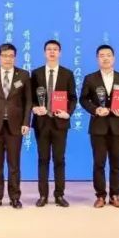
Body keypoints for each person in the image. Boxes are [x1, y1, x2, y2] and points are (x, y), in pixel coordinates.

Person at [79, 44, 119, 208]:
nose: (105, 58)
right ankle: (100, 195)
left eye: (108, 55)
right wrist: (95, 110)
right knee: (99, 163)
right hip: (98, 126)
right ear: (97, 59)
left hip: (117, 126)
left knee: (116, 163)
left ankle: (115, 195)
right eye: (102, 55)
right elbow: (83, 99)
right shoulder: (90, 78)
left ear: (114, 58)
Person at [0, 42, 32, 209]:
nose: (7, 59)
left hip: (16, 126)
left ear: (15, 57)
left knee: (14, 165)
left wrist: (26, 122)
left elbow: (28, 101)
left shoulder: (23, 75)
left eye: (11, 56)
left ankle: (15, 197)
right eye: (4, 56)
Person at [30, 39, 78, 207]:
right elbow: (30, 97)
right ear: (44, 52)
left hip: (60, 122)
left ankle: (59, 195)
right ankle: (43, 195)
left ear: (60, 53)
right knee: (43, 159)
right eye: (49, 49)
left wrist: (68, 113)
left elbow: (73, 98)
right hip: (41, 122)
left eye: (55, 49)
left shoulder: (67, 74)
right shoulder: (36, 73)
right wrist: (35, 108)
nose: (52, 52)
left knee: (59, 159)